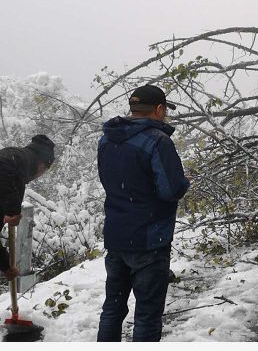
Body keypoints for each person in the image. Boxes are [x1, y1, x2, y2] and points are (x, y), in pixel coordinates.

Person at [96, 85, 189, 342]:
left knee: (113, 307)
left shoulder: (107, 139)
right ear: (159, 109)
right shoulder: (157, 141)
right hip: (149, 240)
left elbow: (109, 181)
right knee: (147, 314)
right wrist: (183, 182)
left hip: (117, 236)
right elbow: (170, 190)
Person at [0, 135, 55, 288]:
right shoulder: (19, 160)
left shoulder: (17, 164)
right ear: (43, 165)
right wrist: (12, 210)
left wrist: (5, 265)